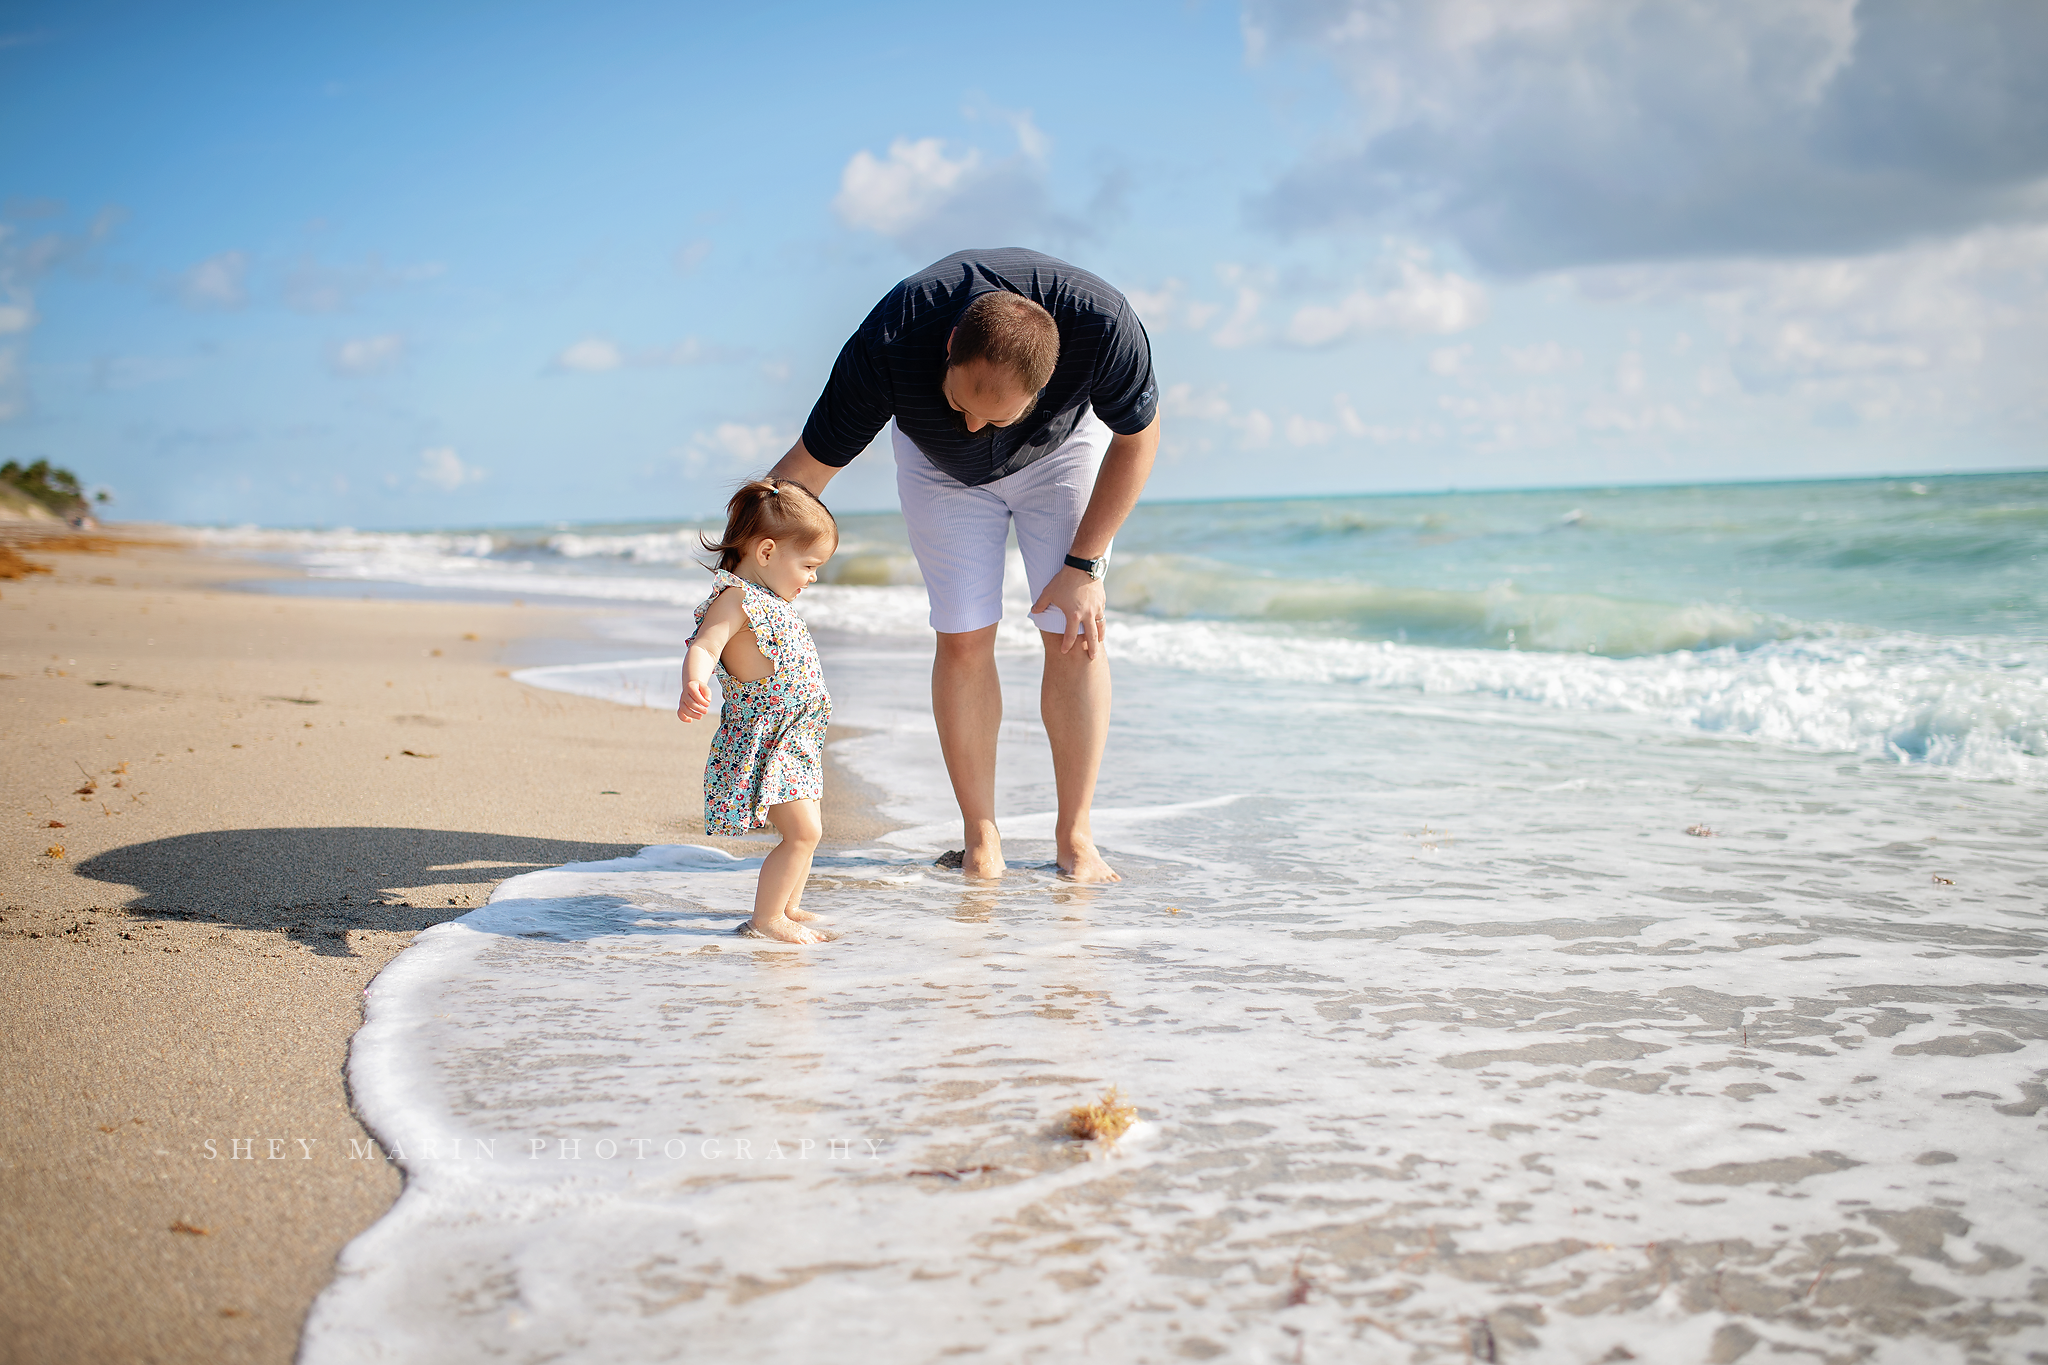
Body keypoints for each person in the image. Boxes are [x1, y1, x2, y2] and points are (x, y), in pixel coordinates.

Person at [769, 247, 1160, 884]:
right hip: (936, 469)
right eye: (959, 403)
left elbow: (1138, 438)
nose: (975, 424)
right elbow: (800, 477)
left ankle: (1075, 836)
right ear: (949, 347)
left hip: (1057, 457)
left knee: (1073, 632)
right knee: (962, 636)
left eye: (994, 414)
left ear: (1046, 384)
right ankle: (982, 837)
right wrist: (736, 584)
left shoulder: (1104, 325)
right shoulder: (894, 337)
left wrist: (1084, 566)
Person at [677, 478, 838, 944]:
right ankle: (766, 919)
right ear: (766, 552)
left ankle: (787, 905)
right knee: (802, 832)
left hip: (795, 737)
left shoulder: (772, 598)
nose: (812, 577)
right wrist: (694, 679)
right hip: (765, 738)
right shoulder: (737, 598)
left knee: (812, 829)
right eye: (808, 565)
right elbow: (706, 645)